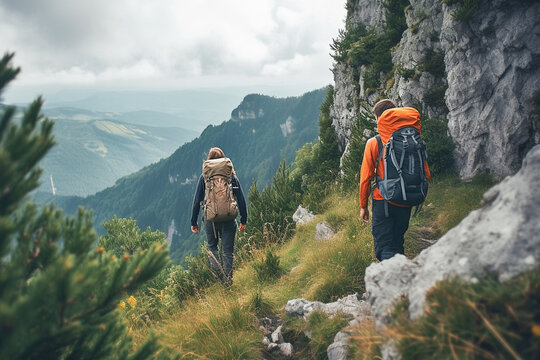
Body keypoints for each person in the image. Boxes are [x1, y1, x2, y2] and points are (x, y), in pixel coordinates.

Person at [359, 99, 431, 261]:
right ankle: (402, 275)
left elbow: (365, 179)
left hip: (383, 200)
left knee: (384, 247)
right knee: (397, 243)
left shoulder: (374, 143)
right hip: (406, 199)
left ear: (379, 119)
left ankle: (394, 280)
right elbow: (427, 174)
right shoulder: (412, 139)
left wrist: (364, 206)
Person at [191, 147, 247, 286]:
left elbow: (197, 200)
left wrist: (194, 222)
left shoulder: (204, 178)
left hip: (211, 220)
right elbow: (240, 198)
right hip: (229, 218)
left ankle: (221, 278)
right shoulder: (231, 176)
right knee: (227, 252)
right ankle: (228, 283)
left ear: (209, 161)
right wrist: (243, 219)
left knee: (212, 248)